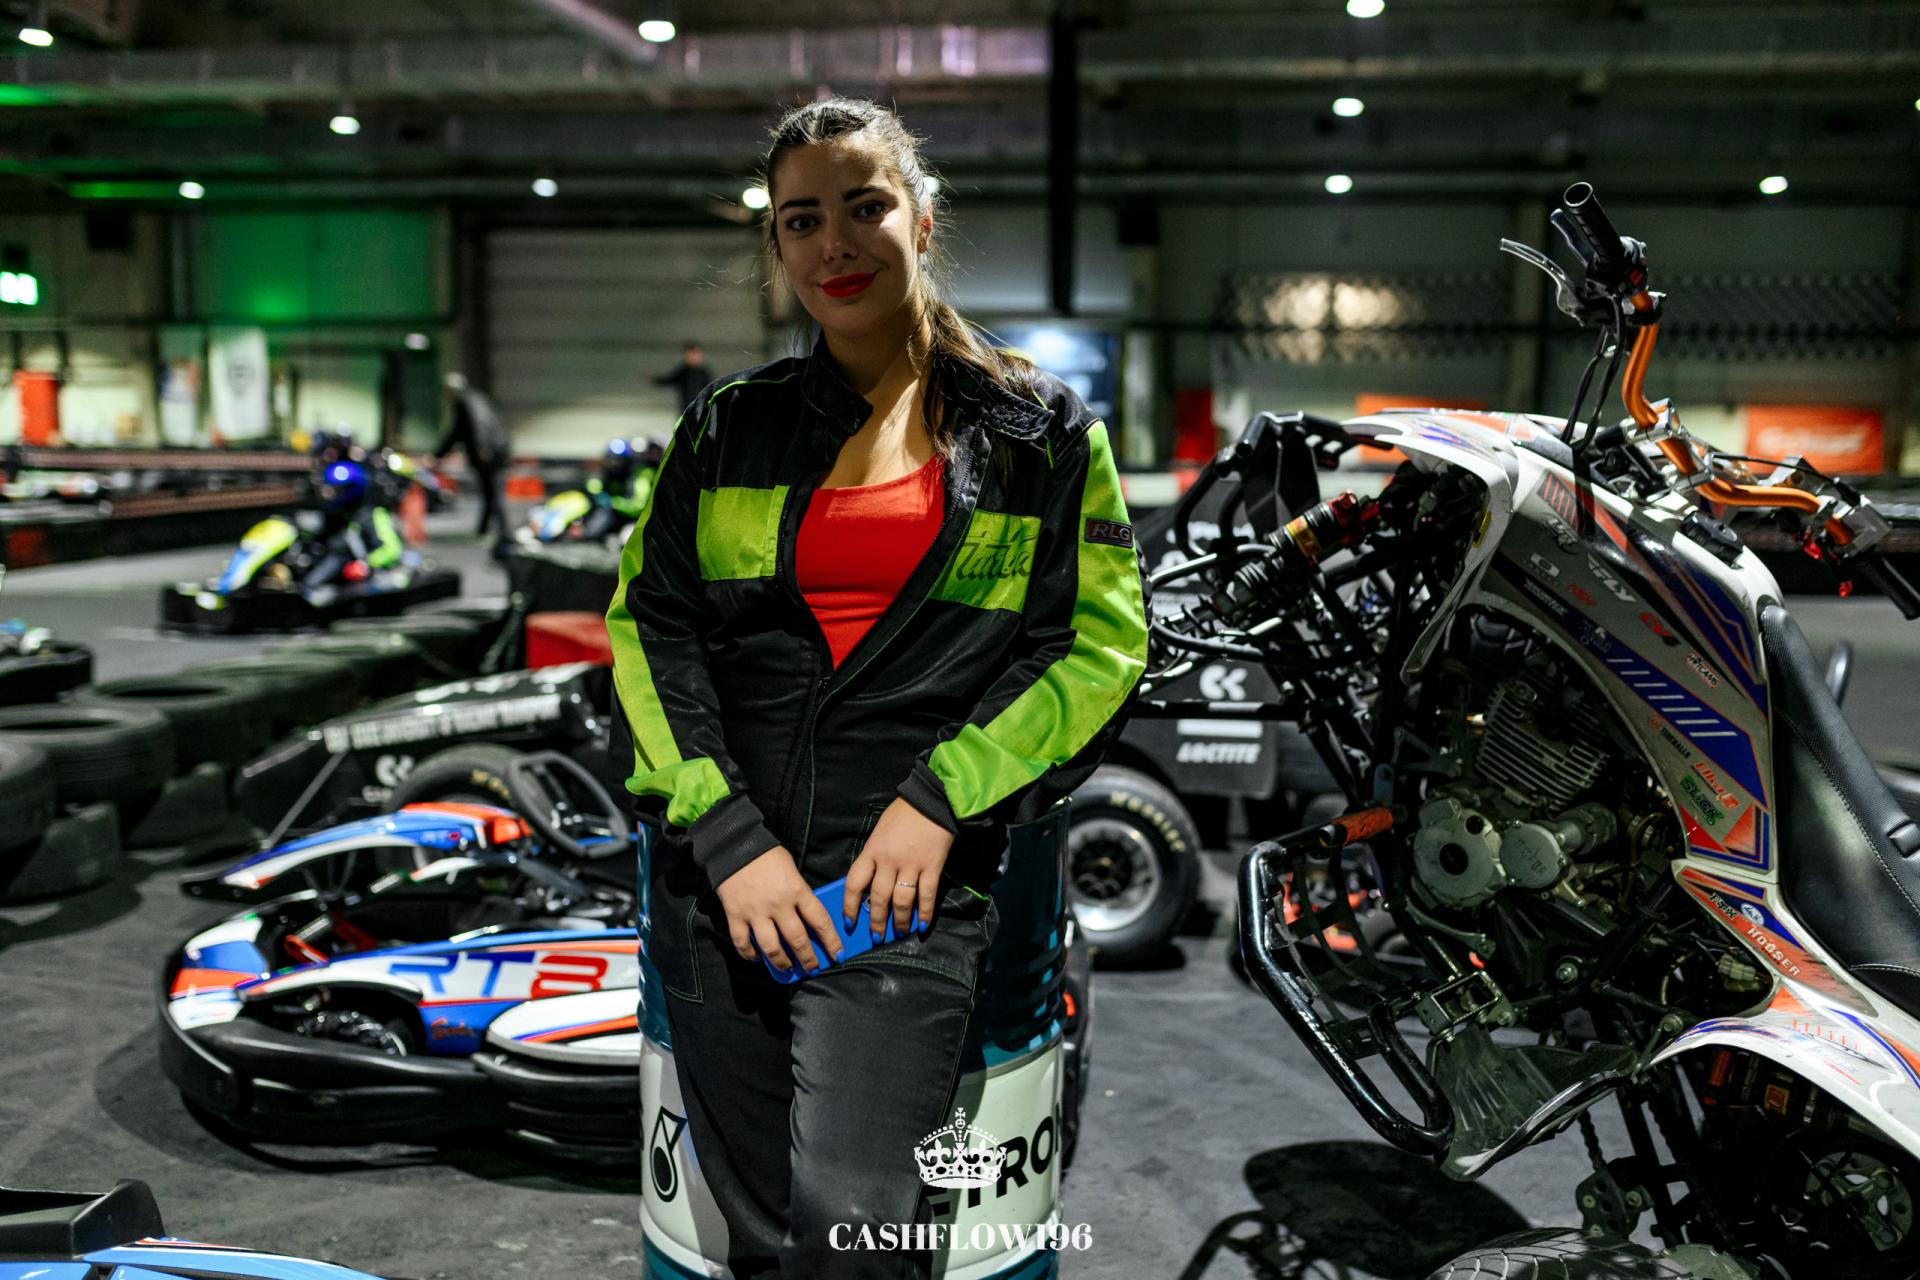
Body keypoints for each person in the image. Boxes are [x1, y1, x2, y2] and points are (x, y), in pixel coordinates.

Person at [605, 98, 1149, 1278]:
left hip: (899, 897)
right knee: (755, 1239)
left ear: (922, 216)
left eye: (864, 207)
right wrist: (728, 836)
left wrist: (942, 797)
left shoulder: (1040, 434)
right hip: (726, 889)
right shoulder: (725, 430)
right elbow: (652, 635)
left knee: (853, 1232)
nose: (835, 245)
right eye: (801, 220)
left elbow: (1097, 649)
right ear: (777, 243)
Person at [434, 371, 511, 555]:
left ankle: (505, 534)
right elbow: (457, 432)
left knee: (494, 492)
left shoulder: (468, 402)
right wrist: (438, 454)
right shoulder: (469, 401)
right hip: (492, 450)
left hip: (491, 452)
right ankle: (485, 529)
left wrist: (482, 449)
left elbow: (479, 423)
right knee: (489, 492)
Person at [652, 340, 708, 415]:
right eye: (689, 355)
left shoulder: (704, 373)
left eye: (695, 354)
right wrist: (655, 381)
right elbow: (670, 379)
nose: (692, 357)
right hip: (685, 409)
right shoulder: (683, 372)